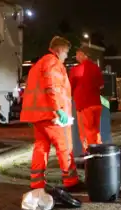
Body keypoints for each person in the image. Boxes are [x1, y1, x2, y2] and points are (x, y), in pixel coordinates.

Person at [20, 36, 83, 191]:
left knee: (41, 147)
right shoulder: (53, 63)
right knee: (65, 147)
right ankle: (71, 182)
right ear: (59, 50)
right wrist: (59, 110)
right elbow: (52, 88)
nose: (66, 56)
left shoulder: (38, 64)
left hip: (39, 116)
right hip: (52, 116)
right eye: (66, 52)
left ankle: (37, 183)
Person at [69, 46, 104, 153]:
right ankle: (99, 151)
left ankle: (89, 153)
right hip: (96, 104)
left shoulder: (77, 69)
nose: (76, 57)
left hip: (84, 105)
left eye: (78, 54)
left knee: (86, 131)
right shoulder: (96, 68)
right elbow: (101, 86)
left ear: (84, 55)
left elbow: (70, 87)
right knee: (95, 130)